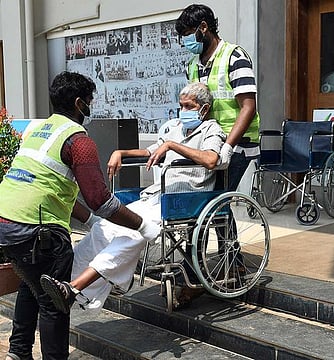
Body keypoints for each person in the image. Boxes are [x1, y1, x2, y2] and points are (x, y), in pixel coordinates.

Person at [0, 71, 161, 360]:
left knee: (31, 282)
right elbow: (100, 199)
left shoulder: (37, 131)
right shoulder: (78, 140)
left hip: (5, 220)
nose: (90, 106)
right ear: (78, 103)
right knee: (53, 303)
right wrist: (142, 224)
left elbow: (51, 186)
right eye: (89, 101)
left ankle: (18, 352)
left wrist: (89, 222)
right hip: (37, 231)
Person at [40, 82, 227, 314]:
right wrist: (121, 152)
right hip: (158, 195)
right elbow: (150, 152)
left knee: (131, 233)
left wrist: (172, 146)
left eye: (188, 106)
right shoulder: (175, 128)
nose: (183, 111)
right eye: (180, 106)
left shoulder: (211, 130)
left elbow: (211, 160)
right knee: (105, 227)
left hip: (185, 198)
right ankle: (67, 282)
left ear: (204, 109)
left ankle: (75, 288)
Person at [175, 3, 260, 296]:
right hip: (208, 142)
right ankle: (233, 262)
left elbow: (248, 106)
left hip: (238, 143)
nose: (185, 42)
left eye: (187, 34)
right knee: (215, 203)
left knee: (210, 201)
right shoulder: (193, 64)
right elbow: (195, 105)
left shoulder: (234, 56)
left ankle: (198, 273)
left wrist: (227, 145)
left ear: (203, 28)